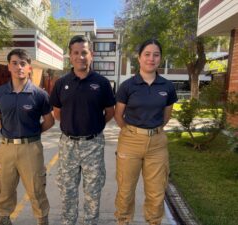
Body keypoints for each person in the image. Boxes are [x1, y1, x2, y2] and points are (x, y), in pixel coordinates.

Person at [49, 35, 115, 225]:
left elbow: (109, 112)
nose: (80, 57)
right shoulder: (61, 83)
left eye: (84, 52)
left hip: (93, 144)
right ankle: (69, 221)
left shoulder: (102, 83)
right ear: (70, 56)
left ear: (91, 55)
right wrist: (72, 125)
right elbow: (57, 113)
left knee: (93, 191)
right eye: (76, 53)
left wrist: (94, 125)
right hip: (68, 144)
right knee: (67, 189)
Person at [114, 39, 178, 225]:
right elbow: (119, 115)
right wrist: (131, 132)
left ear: (160, 58)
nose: (151, 58)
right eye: (147, 54)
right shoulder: (128, 86)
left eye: (156, 55)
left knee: (156, 192)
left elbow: (166, 117)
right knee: (125, 190)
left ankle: (153, 221)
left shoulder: (167, 87)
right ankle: (123, 221)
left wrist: (153, 131)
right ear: (139, 58)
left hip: (157, 144)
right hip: (130, 141)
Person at [0, 48, 54, 225]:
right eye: (15, 63)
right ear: (8, 67)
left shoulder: (39, 94)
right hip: (6, 148)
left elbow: (49, 121)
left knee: (36, 187)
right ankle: (3, 218)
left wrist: (32, 132)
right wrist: (9, 131)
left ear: (29, 68)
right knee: (5, 187)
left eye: (23, 63)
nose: (19, 67)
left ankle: (42, 219)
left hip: (31, 149)